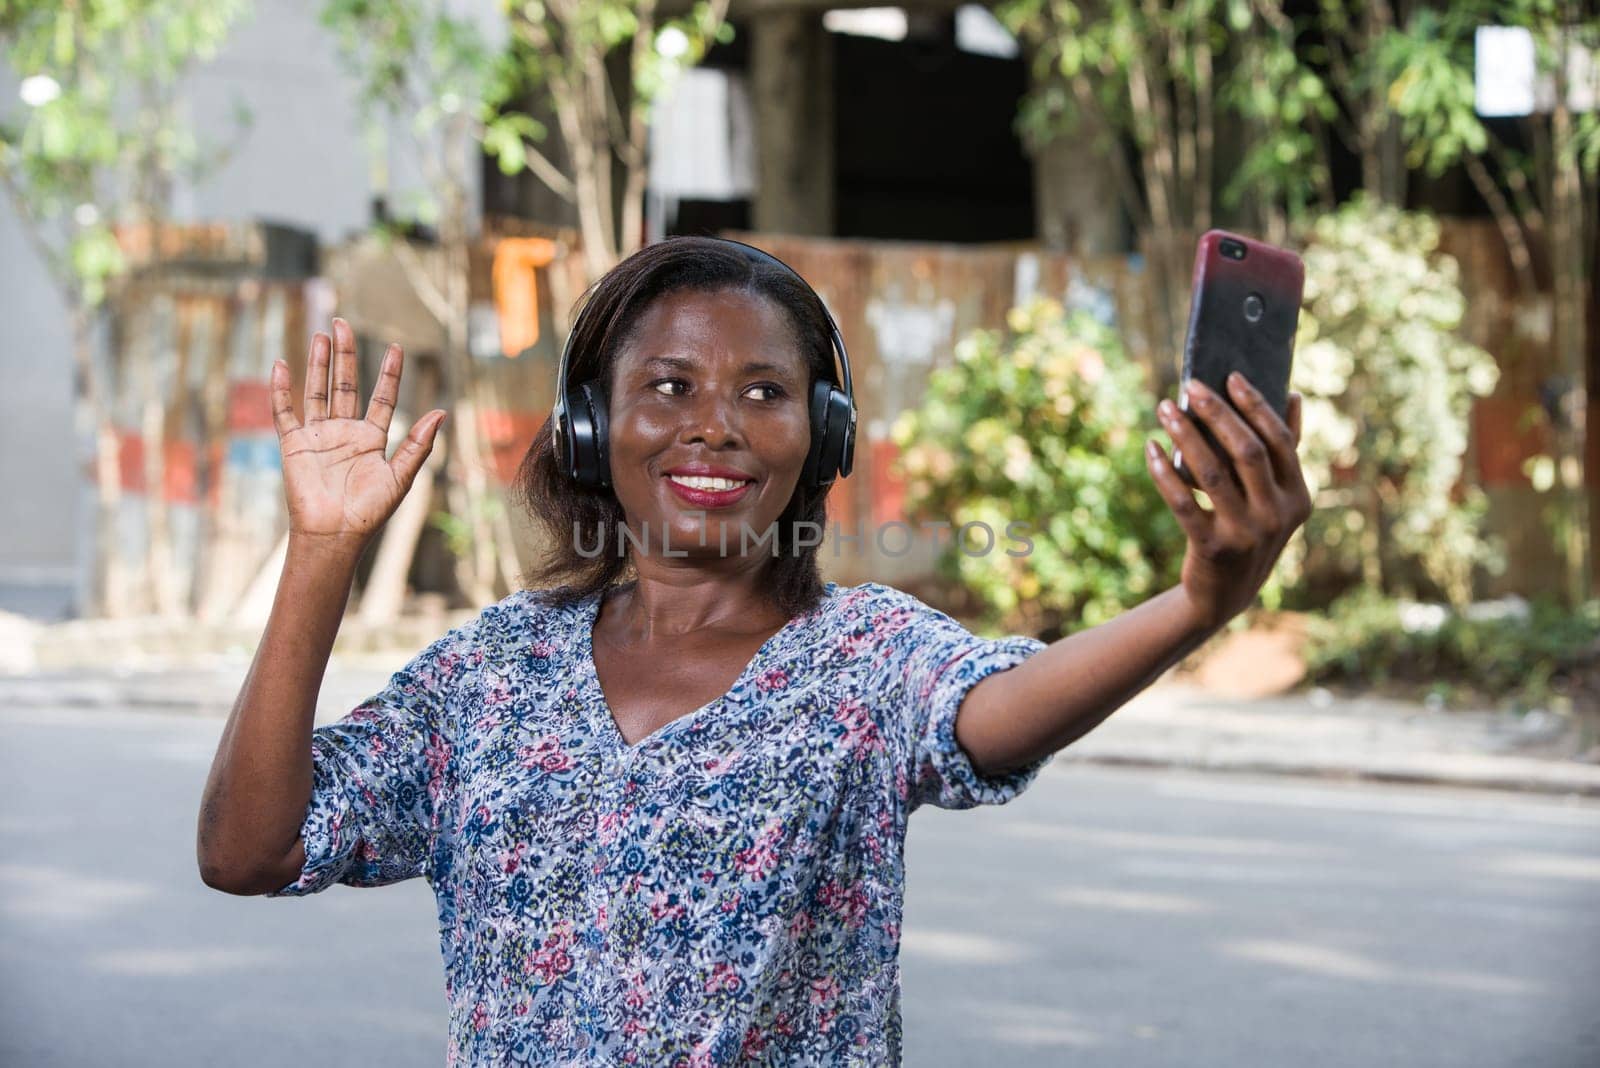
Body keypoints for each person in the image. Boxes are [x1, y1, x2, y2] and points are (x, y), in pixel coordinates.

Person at [196, 236, 1311, 1065]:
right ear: (592, 428)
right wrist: (323, 550)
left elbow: (996, 710)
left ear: (819, 438)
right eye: (668, 386)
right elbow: (250, 849)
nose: (715, 425)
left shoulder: (863, 657)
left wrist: (1197, 601)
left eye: (764, 392)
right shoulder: (492, 676)